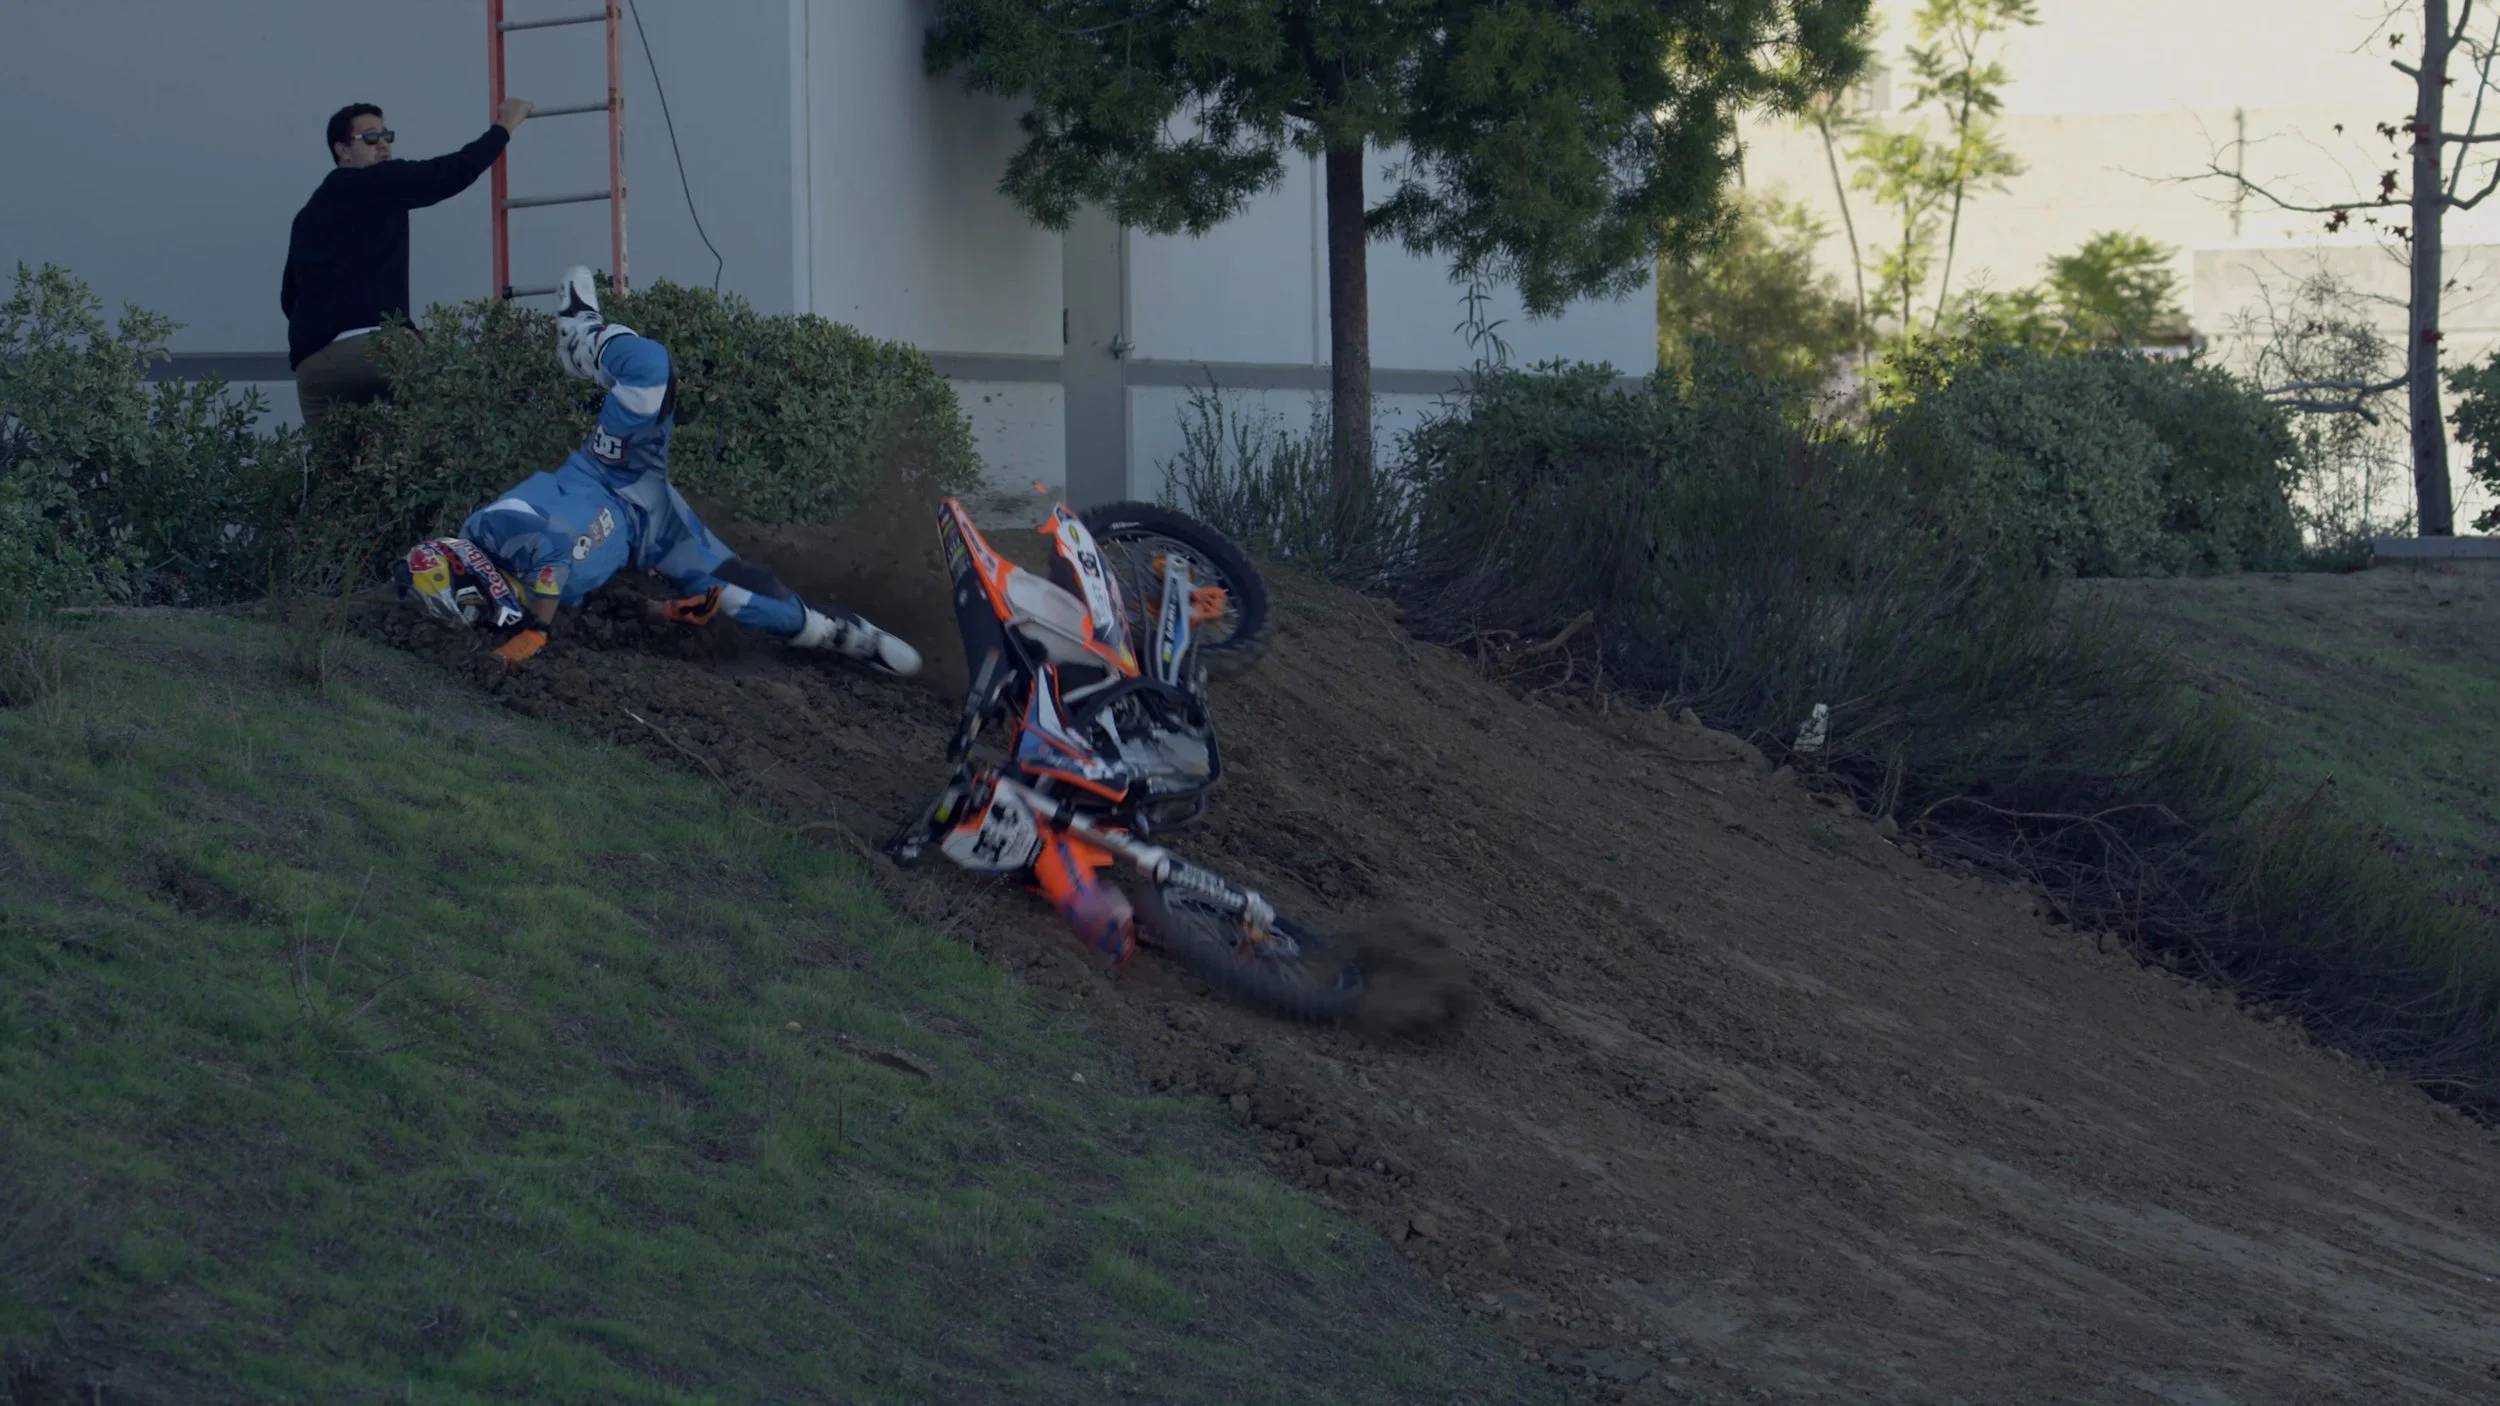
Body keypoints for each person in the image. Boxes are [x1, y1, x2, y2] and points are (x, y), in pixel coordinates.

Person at [395, 265, 924, 679]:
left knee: (651, 369)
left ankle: (582, 338)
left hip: (614, 472)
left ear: (465, 569)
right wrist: (665, 612)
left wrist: (536, 631)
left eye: (465, 605)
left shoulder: (492, 527)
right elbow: (595, 597)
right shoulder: (512, 598)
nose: (472, 616)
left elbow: (553, 548)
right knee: (756, 604)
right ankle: (841, 633)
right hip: (656, 538)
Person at [282, 99, 533, 428]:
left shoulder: (307, 216)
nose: (383, 144)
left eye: (387, 136)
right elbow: (450, 172)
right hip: (376, 349)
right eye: (370, 137)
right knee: (467, 405)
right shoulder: (378, 181)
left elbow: (289, 298)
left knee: (335, 458)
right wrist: (504, 127)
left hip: (315, 369)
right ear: (342, 150)